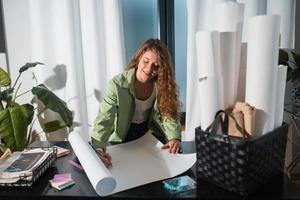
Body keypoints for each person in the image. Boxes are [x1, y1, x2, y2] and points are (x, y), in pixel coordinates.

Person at [91, 38, 182, 168]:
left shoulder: (161, 84)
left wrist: (174, 137)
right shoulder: (117, 84)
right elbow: (104, 120)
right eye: (146, 61)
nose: (149, 69)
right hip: (122, 136)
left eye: (156, 65)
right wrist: (98, 150)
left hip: (147, 134)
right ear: (139, 58)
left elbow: (169, 113)